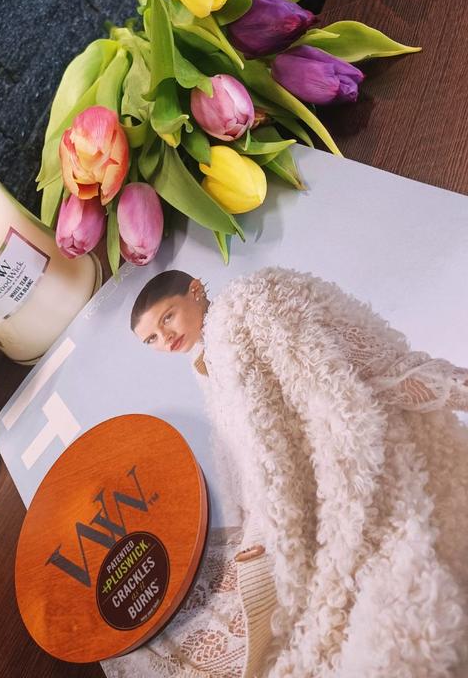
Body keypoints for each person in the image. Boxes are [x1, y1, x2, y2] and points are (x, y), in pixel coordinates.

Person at [108, 267, 468, 678]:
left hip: (360, 479)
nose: (165, 337)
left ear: (195, 291)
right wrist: (258, 529)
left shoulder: (248, 305)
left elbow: (364, 369)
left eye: (167, 317)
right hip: (303, 517)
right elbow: (251, 463)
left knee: (398, 611)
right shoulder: (205, 365)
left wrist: (454, 386)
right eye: (151, 338)